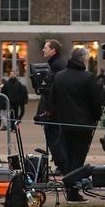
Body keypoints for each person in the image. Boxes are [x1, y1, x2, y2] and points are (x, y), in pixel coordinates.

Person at [48, 47, 102, 202]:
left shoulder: (59, 76)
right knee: (77, 158)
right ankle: (72, 190)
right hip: (83, 125)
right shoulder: (88, 78)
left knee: (68, 157)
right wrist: (95, 118)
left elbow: (52, 101)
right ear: (83, 60)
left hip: (64, 124)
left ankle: (71, 187)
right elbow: (95, 103)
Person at [37, 39, 68, 172]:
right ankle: (62, 163)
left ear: (53, 50)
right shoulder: (56, 63)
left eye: (46, 48)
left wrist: (49, 109)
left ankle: (62, 164)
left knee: (53, 135)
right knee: (55, 135)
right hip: (57, 107)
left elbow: (54, 89)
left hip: (55, 109)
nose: (43, 50)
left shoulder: (56, 65)